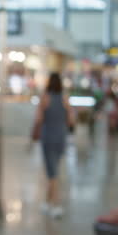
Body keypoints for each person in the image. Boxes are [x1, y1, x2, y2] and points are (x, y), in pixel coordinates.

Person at [32, 73, 73, 218]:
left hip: (48, 136)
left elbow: (38, 118)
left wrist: (34, 133)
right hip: (61, 137)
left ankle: (56, 204)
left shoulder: (45, 97)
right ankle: (47, 202)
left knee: (52, 172)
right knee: (54, 169)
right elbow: (70, 120)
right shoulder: (64, 98)